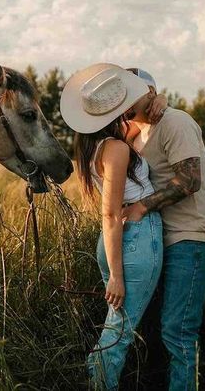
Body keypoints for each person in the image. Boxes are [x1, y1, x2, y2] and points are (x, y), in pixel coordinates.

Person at [59, 63, 165, 390]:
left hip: (115, 244)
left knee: (114, 326)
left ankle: (93, 379)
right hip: (133, 243)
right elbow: (109, 214)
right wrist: (117, 276)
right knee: (119, 333)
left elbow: (137, 126)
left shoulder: (96, 146)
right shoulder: (117, 149)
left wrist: (159, 101)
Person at [123, 67, 205, 391]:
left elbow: (190, 180)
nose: (123, 97)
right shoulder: (137, 134)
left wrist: (140, 207)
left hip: (192, 237)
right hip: (163, 239)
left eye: (131, 91)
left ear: (149, 93)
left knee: (177, 329)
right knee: (163, 326)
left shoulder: (175, 121)